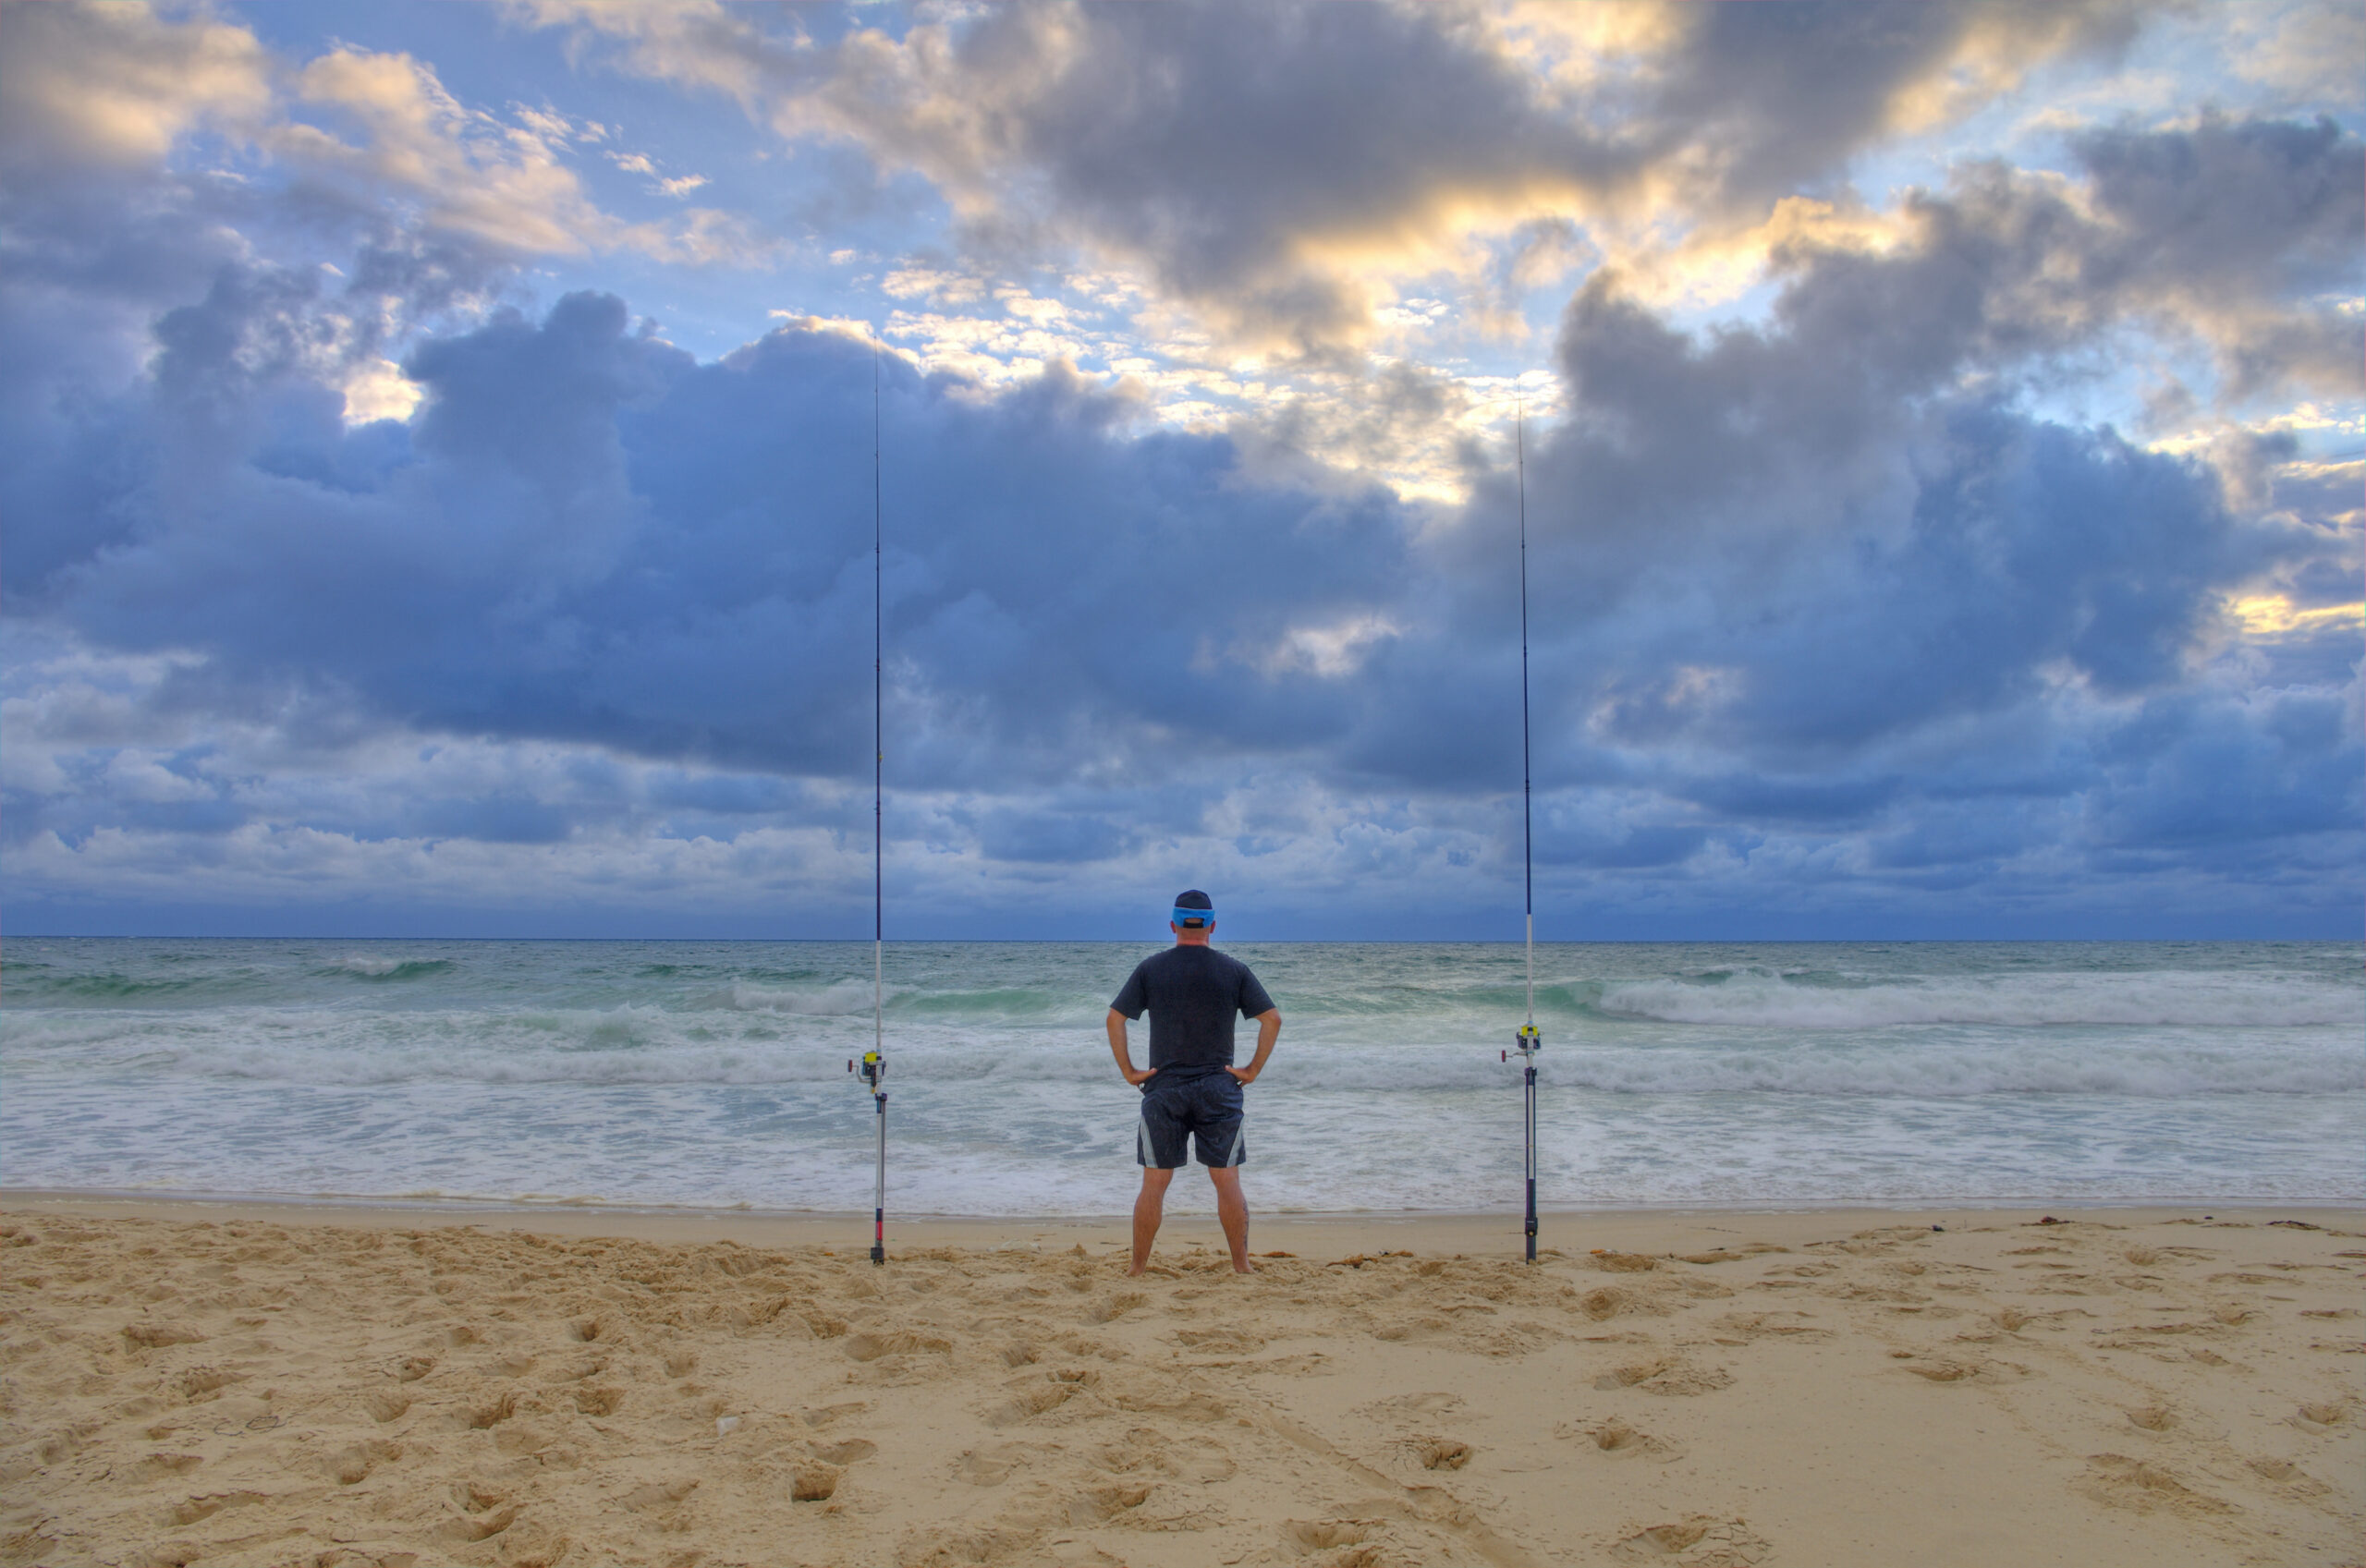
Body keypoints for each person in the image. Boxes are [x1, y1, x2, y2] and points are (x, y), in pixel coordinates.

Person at [1105, 889, 1281, 1276]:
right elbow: (1272, 1019)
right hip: (1219, 1088)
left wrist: (1129, 1071)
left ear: (1173, 925)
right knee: (1227, 1180)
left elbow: (1115, 1018)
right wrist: (1250, 1071)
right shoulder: (1234, 970)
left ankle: (1137, 1269)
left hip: (1163, 1089)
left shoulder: (1151, 969)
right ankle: (1241, 1266)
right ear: (1213, 926)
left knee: (1154, 1183)